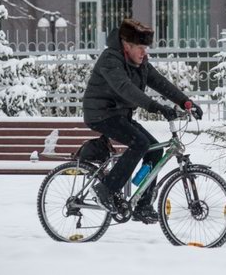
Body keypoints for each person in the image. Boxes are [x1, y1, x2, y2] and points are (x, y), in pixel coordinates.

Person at [82, 19, 203, 224]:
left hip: (120, 115)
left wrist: (186, 102)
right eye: (140, 48)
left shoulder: (140, 63)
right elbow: (126, 89)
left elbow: (160, 83)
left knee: (154, 150)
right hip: (100, 114)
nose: (144, 53)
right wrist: (156, 107)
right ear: (126, 45)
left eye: (145, 48)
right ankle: (106, 188)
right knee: (140, 143)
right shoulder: (110, 60)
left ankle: (142, 206)